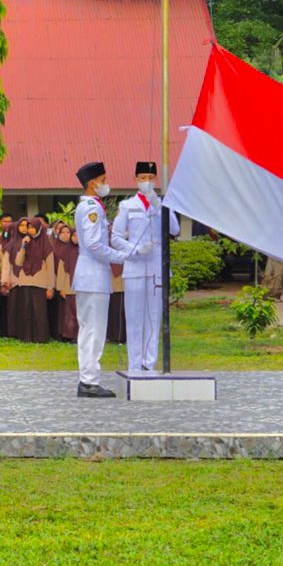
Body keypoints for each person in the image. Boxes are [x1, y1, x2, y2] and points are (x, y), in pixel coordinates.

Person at [73, 162, 141, 397]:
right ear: (93, 183)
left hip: (90, 275)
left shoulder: (91, 206)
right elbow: (94, 244)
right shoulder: (92, 208)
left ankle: (88, 378)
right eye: (103, 180)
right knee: (93, 329)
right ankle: (89, 381)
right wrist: (122, 257)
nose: (106, 184)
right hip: (93, 275)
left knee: (90, 329)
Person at [115, 162, 180, 372]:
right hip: (135, 267)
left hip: (156, 268)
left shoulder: (162, 204)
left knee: (153, 317)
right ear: (135, 179)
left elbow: (175, 229)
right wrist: (135, 249)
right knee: (134, 318)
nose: (147, 181)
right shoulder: (127, 206)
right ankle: (134, 364)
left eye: (151, 177)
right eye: (143, 177)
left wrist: (160, 206)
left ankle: (149, 364)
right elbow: (115, 237)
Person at [7, 216, 54, 343]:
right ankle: (26, 336)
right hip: (25, 281)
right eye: (29, 227)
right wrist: (23, 246)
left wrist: (50, 287)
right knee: (26, 310)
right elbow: (18, 262)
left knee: (39, 311)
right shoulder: (26, 242)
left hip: (40, 282)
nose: (30, 230)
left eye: (33, 227)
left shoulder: (46, 245)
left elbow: (51, 268)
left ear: (39, 228)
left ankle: (40, 337)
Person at [50, 221, 79, 342]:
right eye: (73, 235)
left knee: (79, 312)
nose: (71, 237)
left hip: (80, 286)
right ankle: (68, 335)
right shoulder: (66, 251)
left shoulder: (83, 252)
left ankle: (78, 336)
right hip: (67, 286)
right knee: (67, 313)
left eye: (71, 234)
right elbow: (61, 271)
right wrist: (60, 287)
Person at [0, 214, 17, 337]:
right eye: (5, 221)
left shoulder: (17, 238)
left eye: (10, 221)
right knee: (0, 304)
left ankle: (11, 329)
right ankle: (0, 328)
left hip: (14, 278)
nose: (7, 223)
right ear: (0, 223)